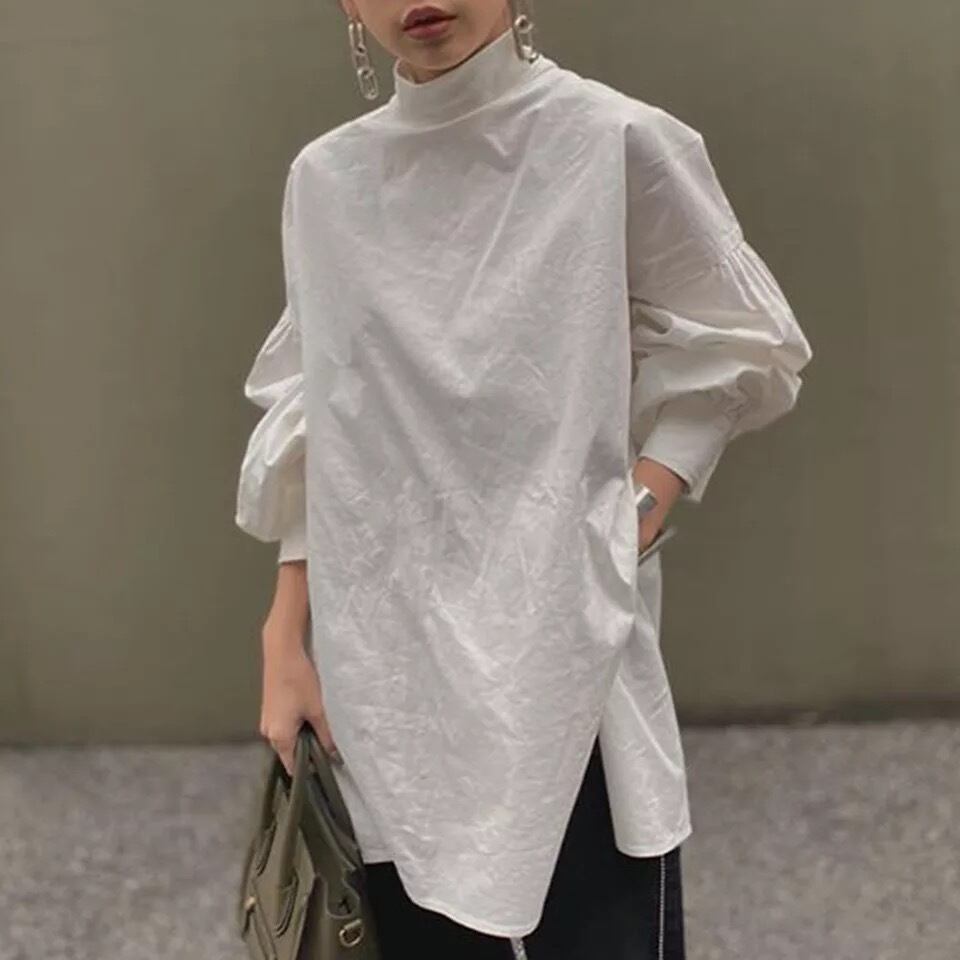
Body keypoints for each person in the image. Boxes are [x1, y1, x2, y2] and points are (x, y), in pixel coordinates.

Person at [234, 2, 813, 957]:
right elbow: (322, 421)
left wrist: (631, 517)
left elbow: (745, 343)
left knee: (600, 921)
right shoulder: (328, 180)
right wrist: (283, 636)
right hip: (385, 658)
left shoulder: (613, 140)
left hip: (564, 642)